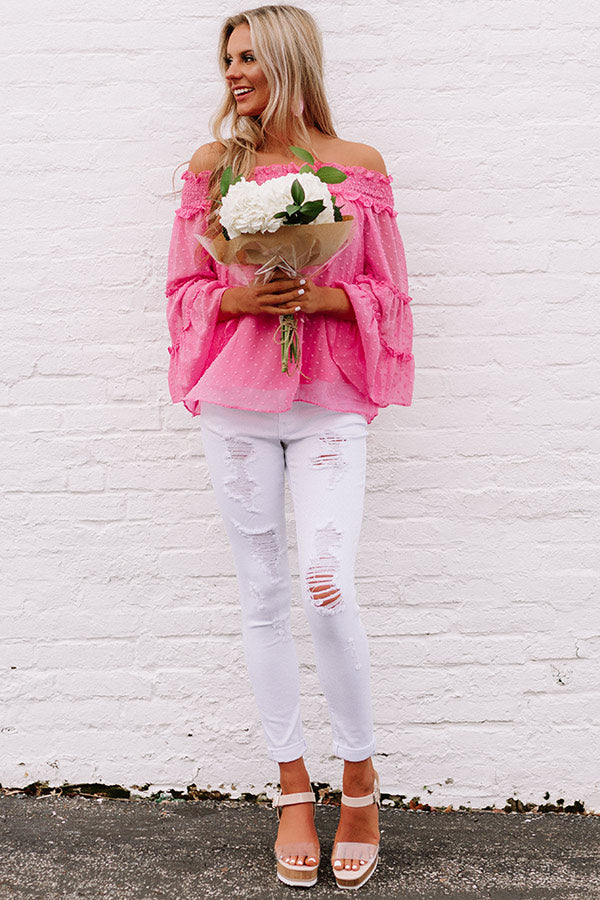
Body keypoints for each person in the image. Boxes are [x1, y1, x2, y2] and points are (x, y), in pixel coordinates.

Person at [165, 4, 414, 890]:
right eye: (227, 60)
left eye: (250, 60)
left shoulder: (359, 169)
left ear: (290, 62)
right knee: (263, 593)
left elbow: (389, 291)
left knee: (326, 580)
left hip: (329, 405)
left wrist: (326, 300)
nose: (234, 75)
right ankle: (291, 792)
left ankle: (359, 778)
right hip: (237, 404)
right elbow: (183, 287)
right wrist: (238, 302)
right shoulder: (212, 169)